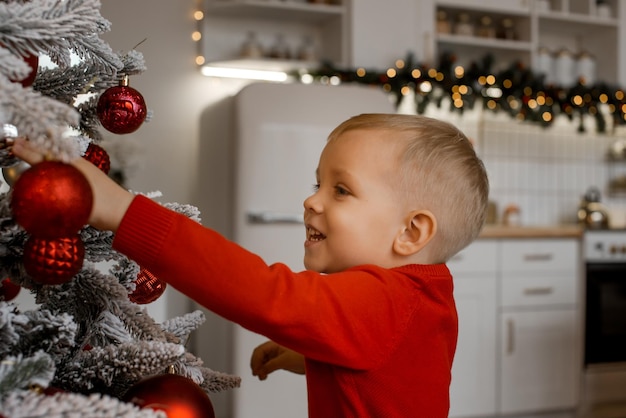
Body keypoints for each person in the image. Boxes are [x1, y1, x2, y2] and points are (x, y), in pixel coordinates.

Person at [13, 113, 489, 417]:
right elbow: (397, 376)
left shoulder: (385, 298)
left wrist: (121, 210)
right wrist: (312, 358)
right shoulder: (422, 295)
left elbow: (263, 293)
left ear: (411, 233)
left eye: (340, 190)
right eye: (317, 183)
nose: (311, 200)